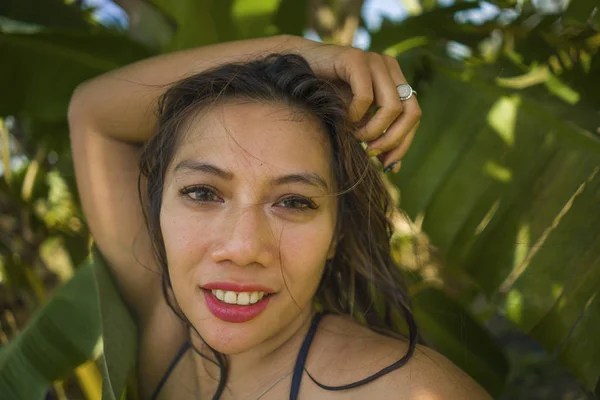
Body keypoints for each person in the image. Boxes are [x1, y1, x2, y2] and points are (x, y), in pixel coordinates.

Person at [68, 35, 491, 399]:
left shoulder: (409, 391)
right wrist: (300, 53)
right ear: (157, 208)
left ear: (336, 235)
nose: (244, 248)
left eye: (293, 202)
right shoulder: (166, 337)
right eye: (202, 192)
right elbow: (92, 111)